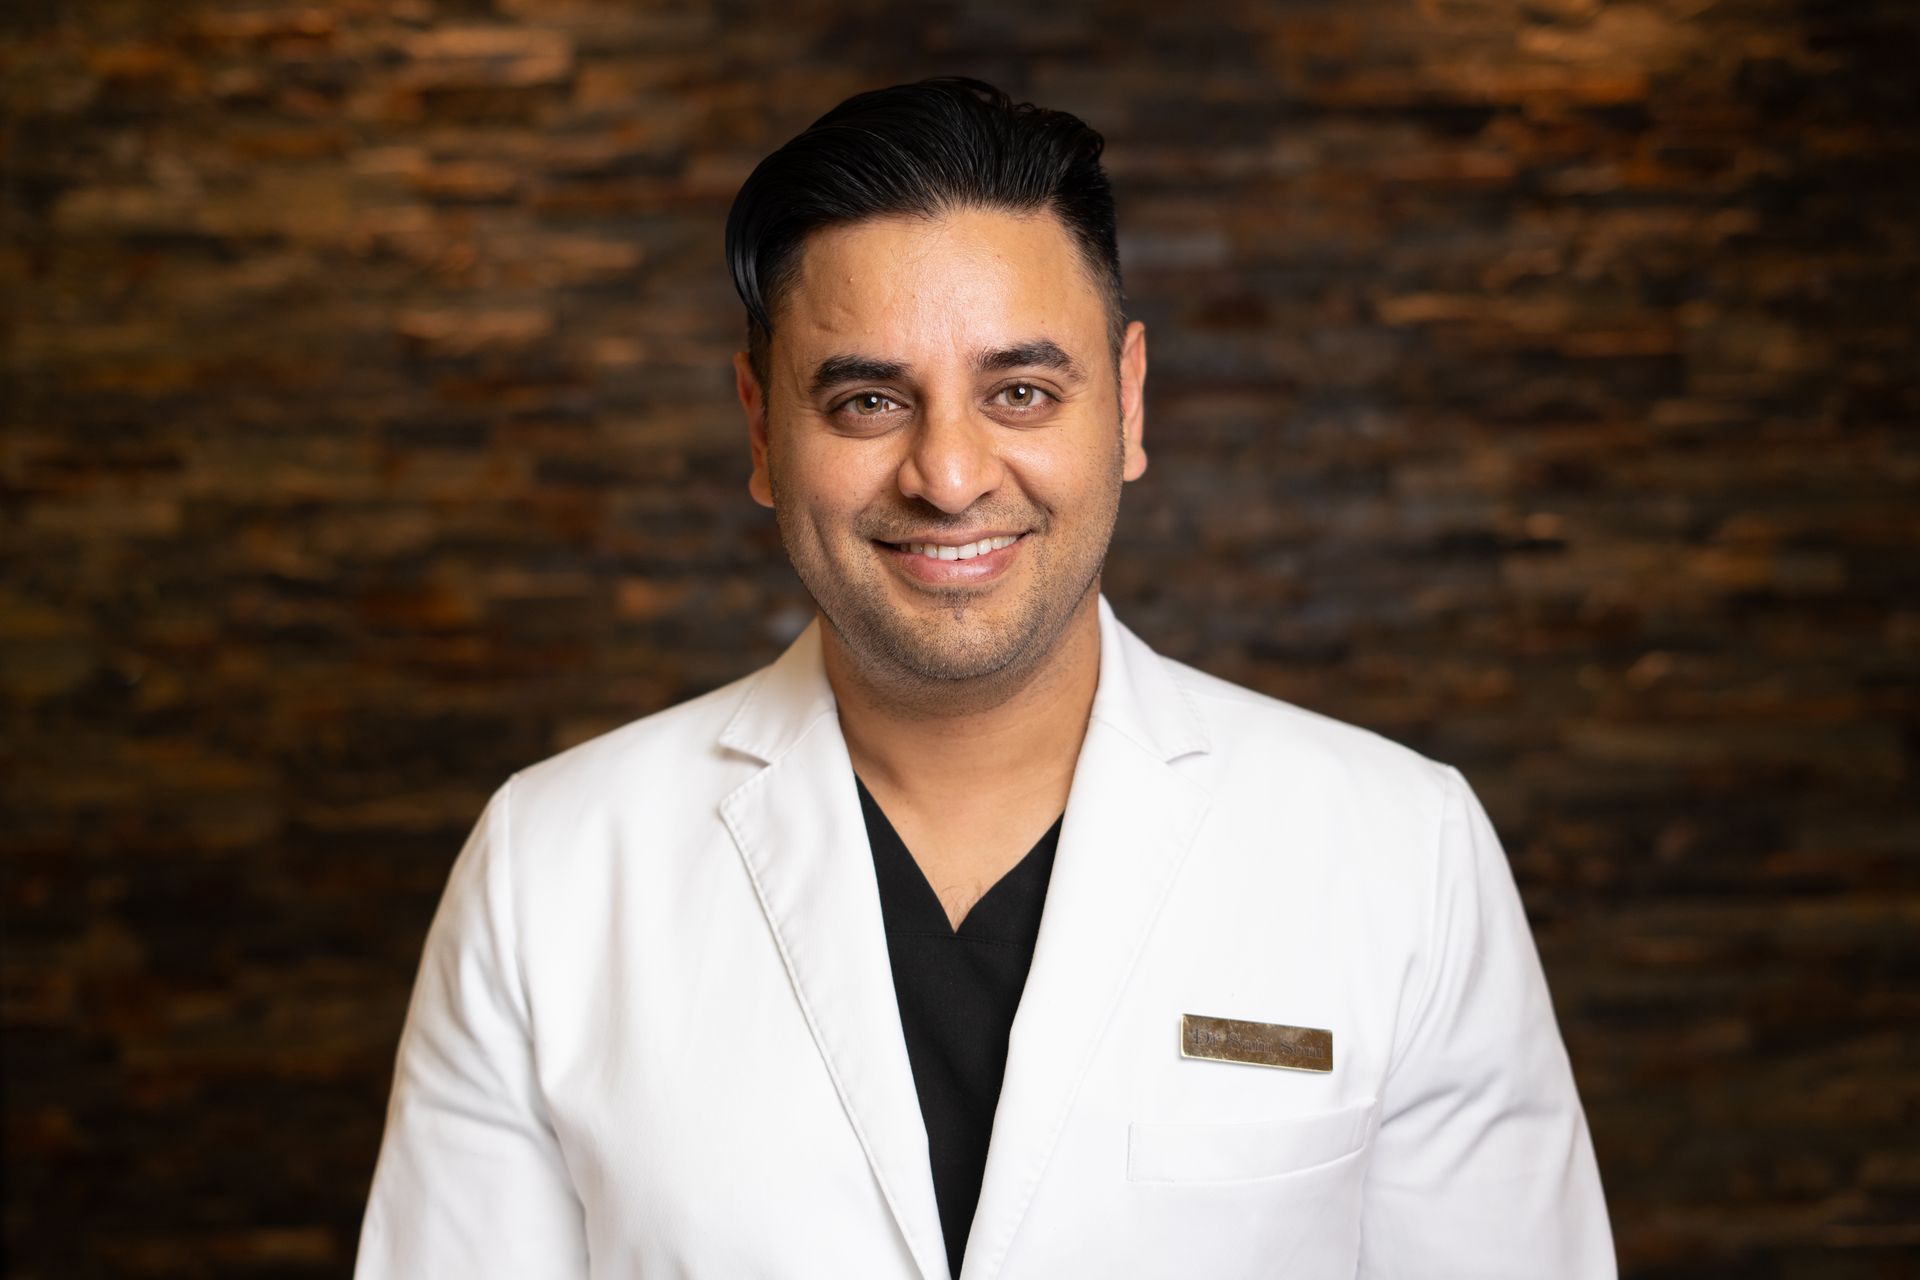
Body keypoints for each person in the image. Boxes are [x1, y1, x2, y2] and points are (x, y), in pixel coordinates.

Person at [355, 77, 1615, 1279]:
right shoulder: (551, 869)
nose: (949, 474)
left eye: (1019, 389)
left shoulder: (1402, 853)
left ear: (1125, 404)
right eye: (864, 402)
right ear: (760, 430)